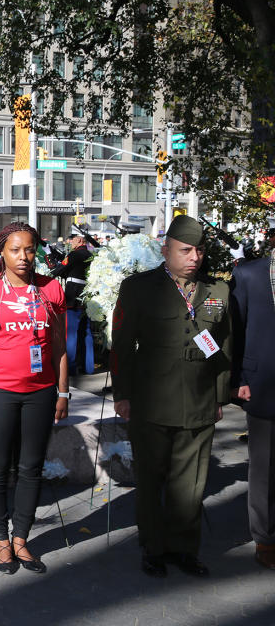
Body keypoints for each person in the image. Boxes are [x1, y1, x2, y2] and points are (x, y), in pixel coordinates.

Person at [111, 214, 232, 578]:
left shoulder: (218, 291)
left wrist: (219, 397)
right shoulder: (139, 288)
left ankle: (184, 549)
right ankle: (153, 548)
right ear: (166, 251)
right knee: (150, 480)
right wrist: (123, 394)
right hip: (150, 402)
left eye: (199, 250)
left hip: (198, 401)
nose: (194, 256)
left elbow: (225, 345)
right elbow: (122, 346)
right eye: (186, 250)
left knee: (191, 483)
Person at [0, 222, 68, 575]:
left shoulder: (51, 289)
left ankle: (21, 540)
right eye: (16, 249)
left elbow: (58, 346)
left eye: (30, 249)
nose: (24, 256)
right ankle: (1, 542)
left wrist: (63, 390)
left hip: (40, 392)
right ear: (2, 252)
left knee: (31, 468)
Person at [230, 223, 275, 569]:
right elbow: (237, 331)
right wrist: (237, 379)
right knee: (264, 466)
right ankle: (265, 537)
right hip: (263, 384)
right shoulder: (249, 274)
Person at [51, 231, 94, 375]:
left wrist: (53, 268)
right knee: (86, 332)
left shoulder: (74, 255)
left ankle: (70, 367)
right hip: (87, 297)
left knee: (71, 333)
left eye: (74, 240)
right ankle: (89, 367)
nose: (71, 242)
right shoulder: (91, 255)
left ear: (80, 241)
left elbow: (60, 270)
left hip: (73, 296)